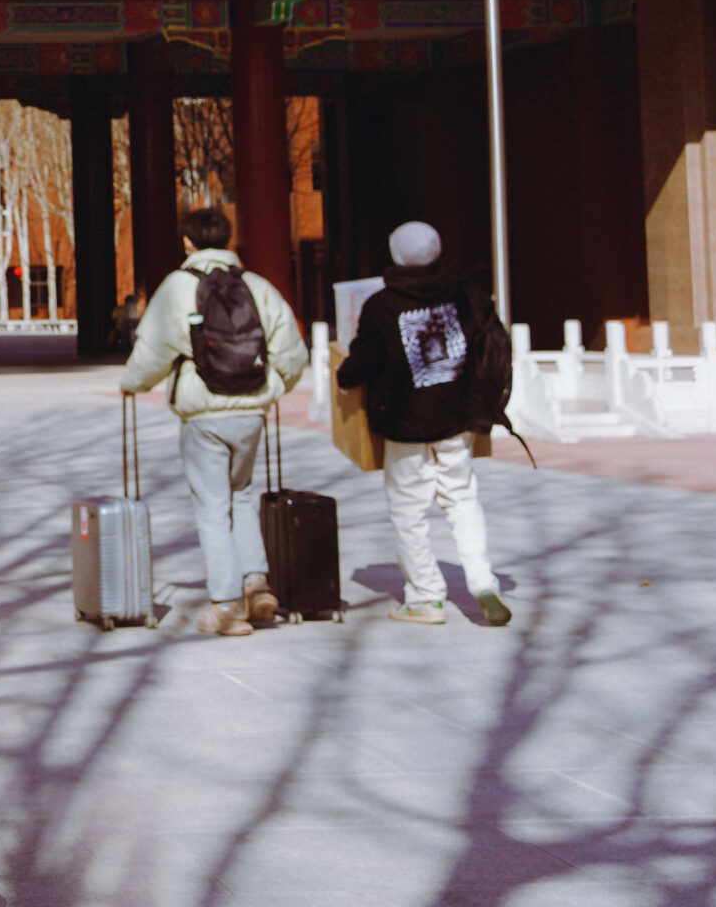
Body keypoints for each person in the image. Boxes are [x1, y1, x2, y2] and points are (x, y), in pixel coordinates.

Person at [119, 208, 308, 636]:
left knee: (212, 508)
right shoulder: (256, 285)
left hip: (204, 414)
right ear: (228, 239)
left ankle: (226, 604)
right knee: (241, 495)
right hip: (250, 412)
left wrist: (131, 383)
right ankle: (256, 584)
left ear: (187, 242)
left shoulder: (178, 286)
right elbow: (292, 352)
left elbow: (151, 351)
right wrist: (275, 386)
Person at [335, 221, 512, 628]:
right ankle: (483, 583)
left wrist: (343, 372)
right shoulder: (465, 293)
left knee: (408, 510)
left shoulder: (381, 305)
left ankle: (425, 596)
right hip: (458, 419)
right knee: (462, 500)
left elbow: (359, 365)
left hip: (405, 424)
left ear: (396, 256)